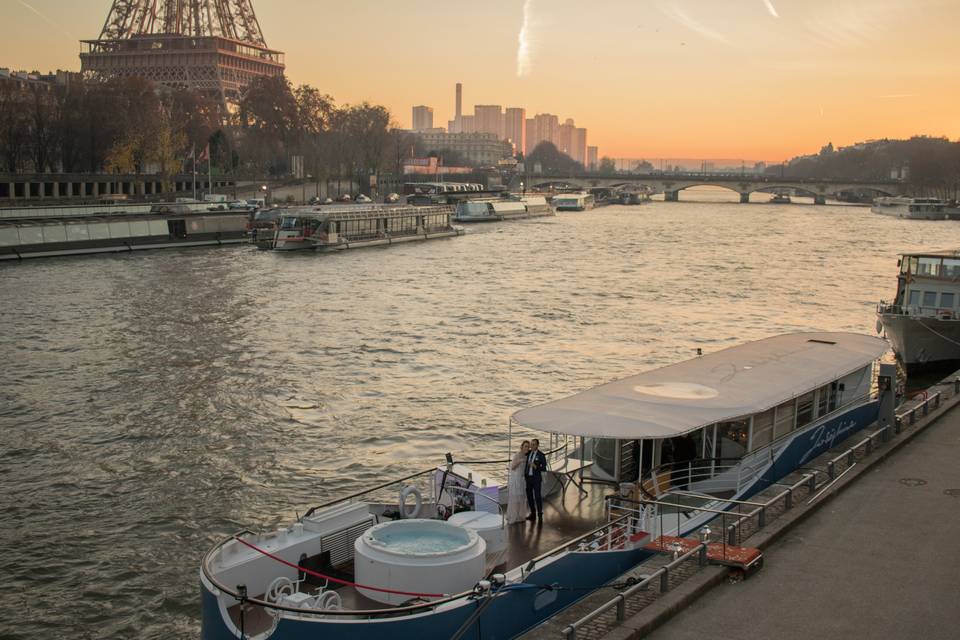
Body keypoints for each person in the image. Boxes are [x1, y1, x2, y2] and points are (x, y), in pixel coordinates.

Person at [506, 441, 531, 524]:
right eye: (525, 446)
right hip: (516, 480)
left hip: (522, 480)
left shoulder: (526, 456)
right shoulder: (517, 455)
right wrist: (520, 461)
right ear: (522, 447)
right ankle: (514, 516)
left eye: (528, 447)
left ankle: (520, 516)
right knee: (515, 499)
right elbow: (512, 467)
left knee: (521, 499)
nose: (527, 448)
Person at [524, 438, 548, 521]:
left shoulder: (541, 455)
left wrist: (535, 466)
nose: (532, 446)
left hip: (536, 479)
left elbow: (544, 468)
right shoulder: (529, 453)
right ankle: (532, 513)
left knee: (537, 496)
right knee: (529, 496)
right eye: (531, 444)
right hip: (529, 478)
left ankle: (540, 514)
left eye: (534, 444)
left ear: (537, 445)